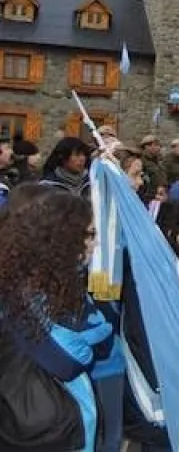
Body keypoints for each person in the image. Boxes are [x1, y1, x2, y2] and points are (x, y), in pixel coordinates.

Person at [0, 188, 116, 452]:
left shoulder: (54, 284)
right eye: (89, 234)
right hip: (42, 428)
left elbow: (100, 338)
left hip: (55, 421)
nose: (95, 243)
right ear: (62, 237)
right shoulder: (24, 295)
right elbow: (69, 360)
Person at [122, 200, 179, 451]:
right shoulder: (148, 278)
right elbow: (140, 335)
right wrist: (165, 381)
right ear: (172, 234)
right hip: (160, 385)